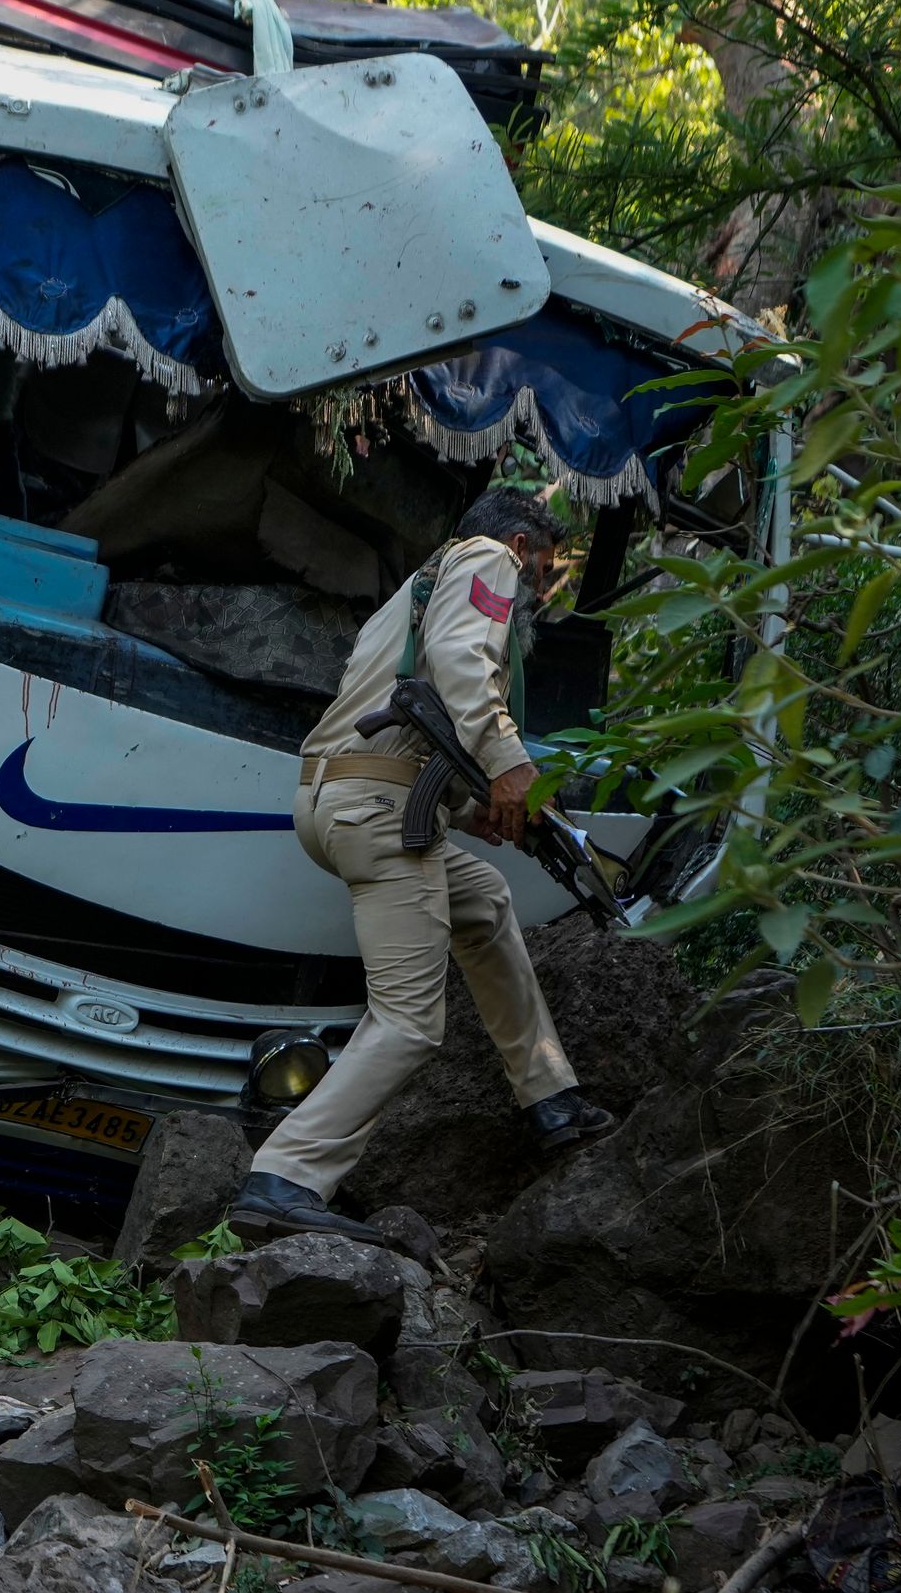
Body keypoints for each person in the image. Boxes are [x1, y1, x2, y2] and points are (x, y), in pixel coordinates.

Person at [232, 487, 618, 1244]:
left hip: (338, 798)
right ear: (519, 542)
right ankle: (286, 1175)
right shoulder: (488, 560)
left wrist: (476, 811)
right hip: (376, 812)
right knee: (409, 1021)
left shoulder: (413, 594)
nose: (538, 592)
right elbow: (460, 665)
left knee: (484, 903)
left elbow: (413, 718)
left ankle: (550, 1098)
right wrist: (512, 768)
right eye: (543, 573)